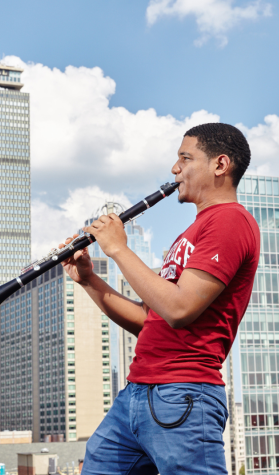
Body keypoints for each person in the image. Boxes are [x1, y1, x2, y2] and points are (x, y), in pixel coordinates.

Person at [61, 122, 260, 475]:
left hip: (183, 394)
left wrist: (118, 248)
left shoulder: (231, 221)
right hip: (137, 393)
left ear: (220, 165)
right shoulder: (193, 231)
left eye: (185, 158)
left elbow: (179, 308)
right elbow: (148, 318)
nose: (174, 169)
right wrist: (89, 280)